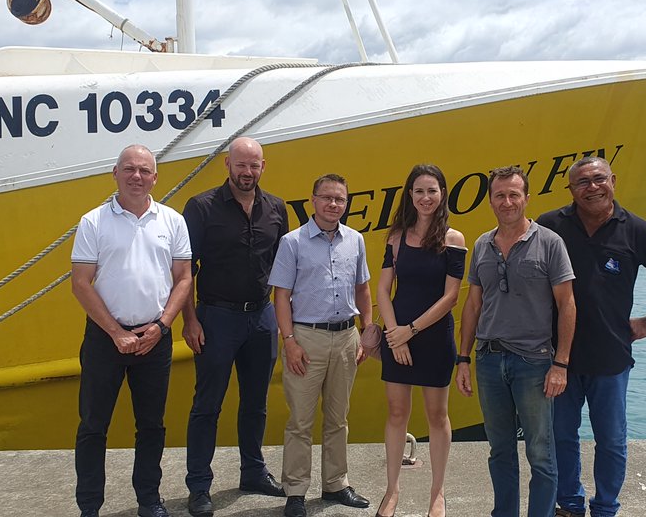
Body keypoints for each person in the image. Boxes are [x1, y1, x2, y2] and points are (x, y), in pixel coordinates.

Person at [537, 157, 646, 517]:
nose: (592, 187)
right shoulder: (551, 226)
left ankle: (606, 508)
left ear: (613, 181)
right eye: (582, 182)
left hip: (610, 357)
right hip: (559, 358)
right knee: (561, 437)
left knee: (611, 441)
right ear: (571, 190)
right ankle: (571, 505)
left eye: (598, 179)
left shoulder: (636, 230)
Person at [70, 144, 193, 517]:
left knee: (152, 425)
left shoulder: (172, 221)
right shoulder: (93, 222)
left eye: (144, 170)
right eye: (129, 169)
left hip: (154, 340)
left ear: (155, 177)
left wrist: (162, 325)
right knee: (93, 425)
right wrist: (115, 332)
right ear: (115, 173)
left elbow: (184, 279)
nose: (136, 176)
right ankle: (89, 505)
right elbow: (81, 283)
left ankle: (149, 499)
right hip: (105, 340)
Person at [455, 165, 576, 517]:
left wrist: (561, 364)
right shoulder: (481, 244)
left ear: (525, 198)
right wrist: (463, 359)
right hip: (490, 360)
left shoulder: (550, 243)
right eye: (500, 195)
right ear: (491, 200)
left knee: (540, 451)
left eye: (514, 194)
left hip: (534, 362)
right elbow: (473, 305)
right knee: (500, 449)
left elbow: (567, 304)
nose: (507, 202)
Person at [181, 137, 289, 517]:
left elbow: (284, 272)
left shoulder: (276, 208)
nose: (247, 172)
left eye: (254, 166)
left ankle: (253, 472)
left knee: (256, 403)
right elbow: (183, 271)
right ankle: (198, 486)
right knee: (207, 405)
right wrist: (189, 320)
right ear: (227, 164)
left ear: (263, 167)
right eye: (241, 165)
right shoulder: (201, 207)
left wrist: (283, 323)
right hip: (216, 317)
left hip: (261, 317)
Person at [268, 173, 374, 517]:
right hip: (306, 338)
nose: (333, 204)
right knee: (300, 420)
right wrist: (290, 341)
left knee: (337, 418)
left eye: (339, 199)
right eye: (327, 198)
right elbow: (280, 296)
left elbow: (363, 289)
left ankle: (335, 484)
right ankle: (296, 491)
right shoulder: (292, 242)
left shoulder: (355, 240)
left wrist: (366, 330)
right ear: (313, 200)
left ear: (346, 203)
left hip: (346, 337)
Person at [375, 165, 467, 517]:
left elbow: (451, 298)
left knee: (437, 414)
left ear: (442, 193)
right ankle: (392, 490)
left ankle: (437, 493)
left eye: (432, 190)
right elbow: (383, 289)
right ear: (409, 195)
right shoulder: (396, 237)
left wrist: (409, 330)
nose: (425, 198)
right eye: (418, 191)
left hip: (431, 337)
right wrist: (394, 335)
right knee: (397, 412)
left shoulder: (454, 240)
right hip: (396, 334)